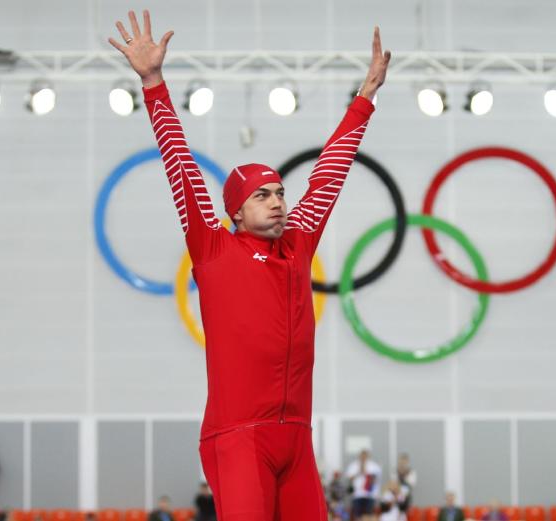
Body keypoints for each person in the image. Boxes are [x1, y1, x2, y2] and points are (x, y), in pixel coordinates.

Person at [109, 9, 389, 521]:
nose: (279, 202)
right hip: (238, 436)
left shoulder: (298, 245)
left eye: (281, 193)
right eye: (263, 196)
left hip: (296, 438)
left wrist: (365, 99)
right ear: (235, 210)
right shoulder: (213, 249)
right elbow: (180, 164)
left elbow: (328, 174)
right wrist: (153, 82)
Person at [346, 450, 382, 521]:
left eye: (365, 455)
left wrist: (368, 475)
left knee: (369, 514)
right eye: (362, 455)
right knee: (357, 514)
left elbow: (377, 478)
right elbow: (349, 477)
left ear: (368, 456)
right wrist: (359, 472)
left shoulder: (373, 465)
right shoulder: (354, 465)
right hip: (357, 494)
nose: (363, 457)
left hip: (370, 494)